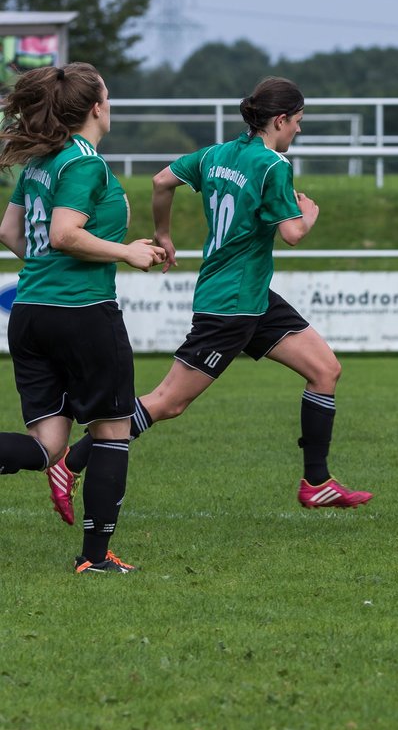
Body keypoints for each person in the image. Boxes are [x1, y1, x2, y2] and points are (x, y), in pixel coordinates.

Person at [50, 77, 371, 517]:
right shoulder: (273, 165)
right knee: (168, 402)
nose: (298, 130)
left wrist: (164, 231)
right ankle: (71, 461)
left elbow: (162, 180)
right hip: (231, 306)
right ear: (280, 120)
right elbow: (293, 233)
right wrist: (310, 212)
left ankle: (316, 482)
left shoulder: (219, 154)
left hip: (252, 296)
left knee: (325, 370)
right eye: (297, 122)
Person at [0, 62, 166, 572]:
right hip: (83, 315)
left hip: (30, 314)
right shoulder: (83, 163)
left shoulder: (39, 163)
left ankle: (95, 556)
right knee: (112, 432)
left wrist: (49, 274)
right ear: (96, 107)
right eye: (109, 97)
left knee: (48, 445)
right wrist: (125, 252)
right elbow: (64, 233)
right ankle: (95, 559)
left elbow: (10, 232)